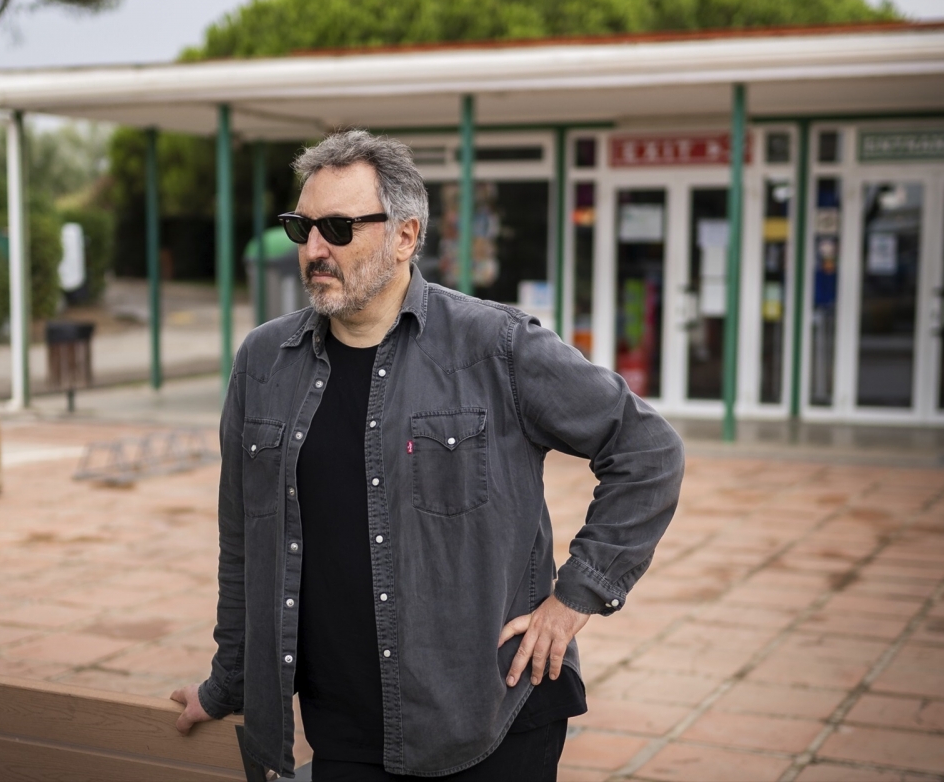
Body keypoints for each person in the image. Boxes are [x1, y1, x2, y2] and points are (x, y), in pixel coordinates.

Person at [171, 130, 684, 781]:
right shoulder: (264, 364)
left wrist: (577, 596)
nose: (315, 249)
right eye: (303, 227)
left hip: (489, 721)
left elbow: (648, 450)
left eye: (337, 226)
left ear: (406, 237)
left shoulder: (496, 345)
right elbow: (243, 543)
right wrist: (225, 686)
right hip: (342, 730)